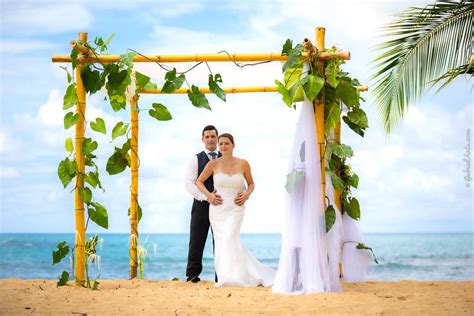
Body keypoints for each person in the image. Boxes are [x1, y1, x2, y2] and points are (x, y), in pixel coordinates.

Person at [196, 133, 275, 287]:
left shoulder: (243, 163)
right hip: (218, 209)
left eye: (226, 143)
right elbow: (199, 181)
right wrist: (209, 196)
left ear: (233, 145)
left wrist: (246, 195)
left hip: (236, 208)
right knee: (222, 242)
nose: (223, 146)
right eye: (221, 144)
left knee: (230, 237)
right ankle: (226, 277)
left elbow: (251, 184)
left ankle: (236, 276)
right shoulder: (213, 164)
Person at [184, 125, 222, 283]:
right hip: (201, 206)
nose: (210, 139)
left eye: (213, 136)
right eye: (207, 137)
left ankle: (220, 276)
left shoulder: (225, 158)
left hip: (221, 207)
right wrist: (206, 197)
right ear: (202, 139)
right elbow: (189, 184)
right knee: (196, 240)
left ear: (218, 139)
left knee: (220, 242)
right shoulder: (196, 159)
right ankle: (192, 275)